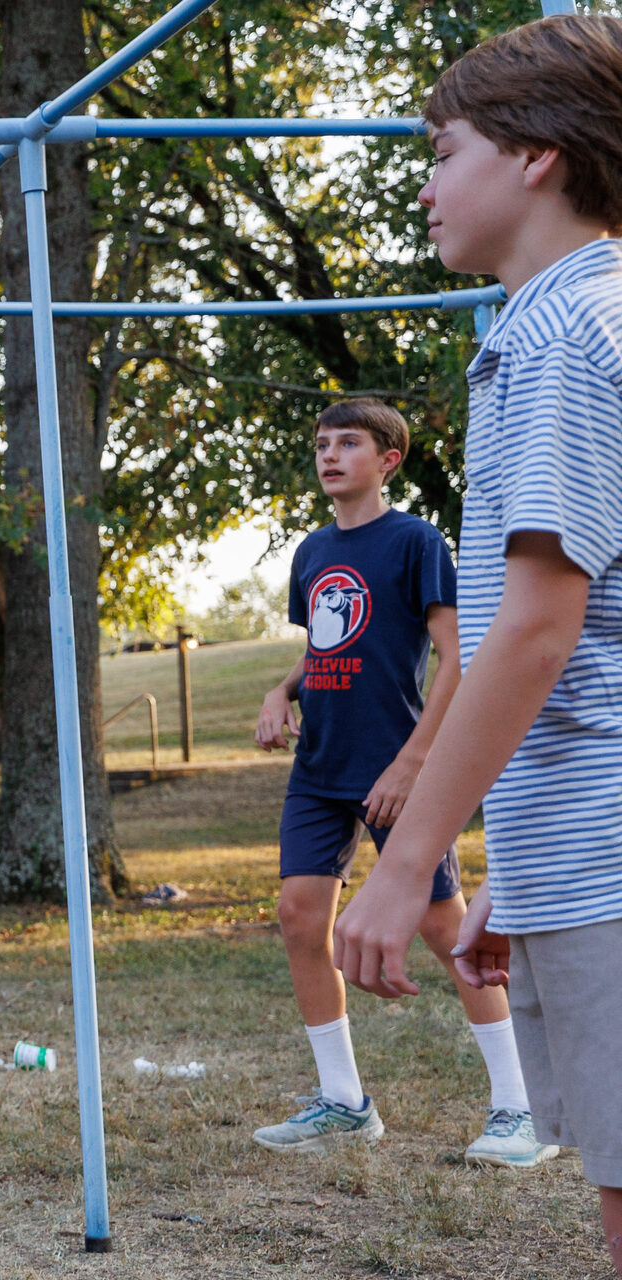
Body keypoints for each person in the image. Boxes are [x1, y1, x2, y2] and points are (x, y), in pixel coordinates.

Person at [330, 14, 622, 1273]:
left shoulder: (563, 335)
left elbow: (536, 627)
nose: (425, 183)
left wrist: (410, 861)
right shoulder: (567, 325)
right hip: (586, 855)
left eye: (443, 149)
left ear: (538, 154)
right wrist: (530, 870)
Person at [248, 400, 545, 1165]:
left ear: (388, 459)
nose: (330, 454)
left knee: (447, 929)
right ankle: (344, 1103)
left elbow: (455, 655)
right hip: (320, 769)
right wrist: (283, 691)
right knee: (297, 914)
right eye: (321, 443)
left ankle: (519, 1109)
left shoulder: (415, 541)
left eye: (349, 442)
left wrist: (413, 762)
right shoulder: (312, 551)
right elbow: (324, 649)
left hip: (398, 764)